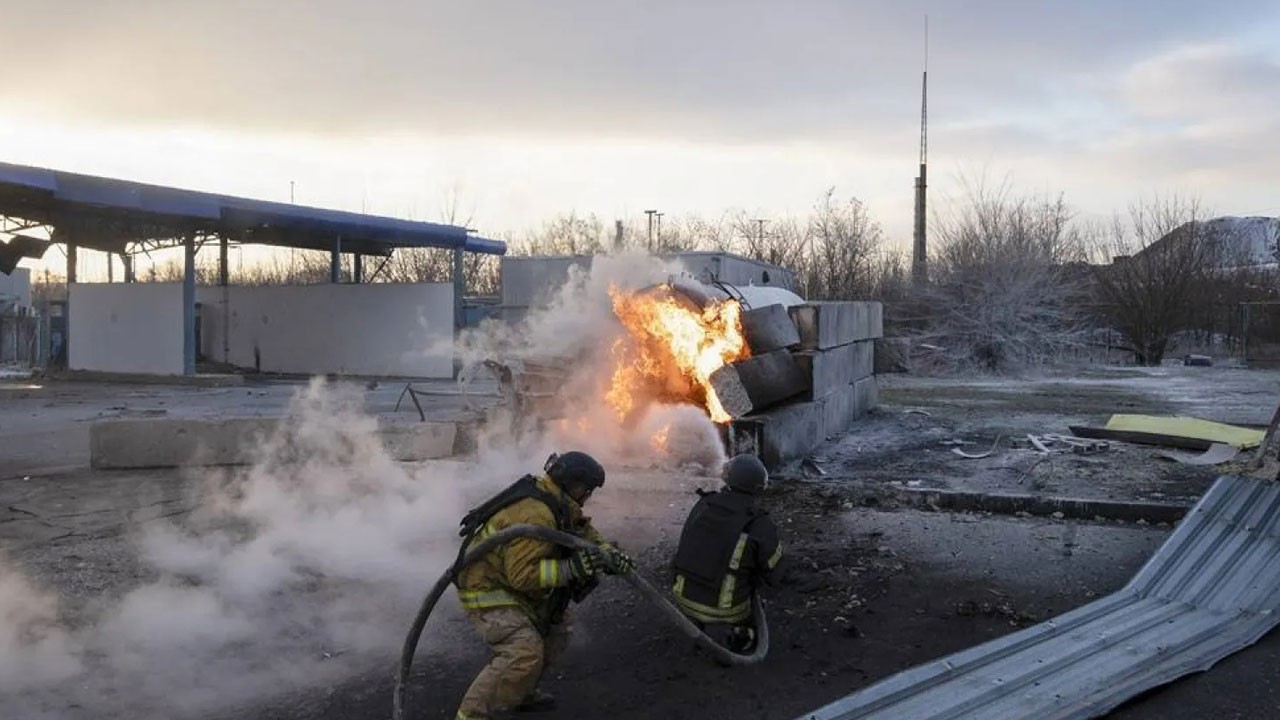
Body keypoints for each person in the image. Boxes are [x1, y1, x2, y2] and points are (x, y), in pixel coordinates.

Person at [454, 450, 633, 720]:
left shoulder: (555, 499)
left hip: (510, 585)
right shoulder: (536, 514)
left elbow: (580, 531)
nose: (588, 496)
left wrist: (607, 552)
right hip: (487, 588)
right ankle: (473, 715)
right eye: (587, 489)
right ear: (574, 485)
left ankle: (520, 691)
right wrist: (572, 568)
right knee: (523, 651)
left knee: (557, 630)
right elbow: (522, 576)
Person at [671, 453, 783, 654]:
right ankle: (741, 635)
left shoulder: (703, 504)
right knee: (749, 585)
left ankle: (697, 626)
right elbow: (774, 573)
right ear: (759, 488)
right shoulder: (759, 523)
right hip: (727, 608)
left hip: (682, 599)